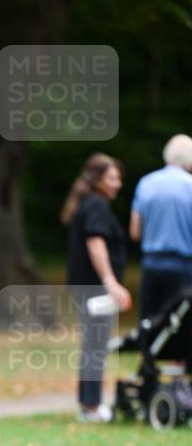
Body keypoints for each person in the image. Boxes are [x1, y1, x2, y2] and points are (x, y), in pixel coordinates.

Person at [62, 153, 132, 422]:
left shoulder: (89, 203)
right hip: (94, 289)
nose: (118, 184)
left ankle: (89, 404)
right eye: (112, 178)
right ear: (97, 179)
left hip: (88, 287)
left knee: (94, 344)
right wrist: (110, 281)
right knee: (96, 345)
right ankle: (91, 406)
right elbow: (96, 243)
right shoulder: (96, 206)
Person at [129, 134, 192, 320]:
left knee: (149, 324)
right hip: (183, 267)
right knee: (179, 325)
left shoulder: (146, 182)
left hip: (151, 264)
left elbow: (135, 232)